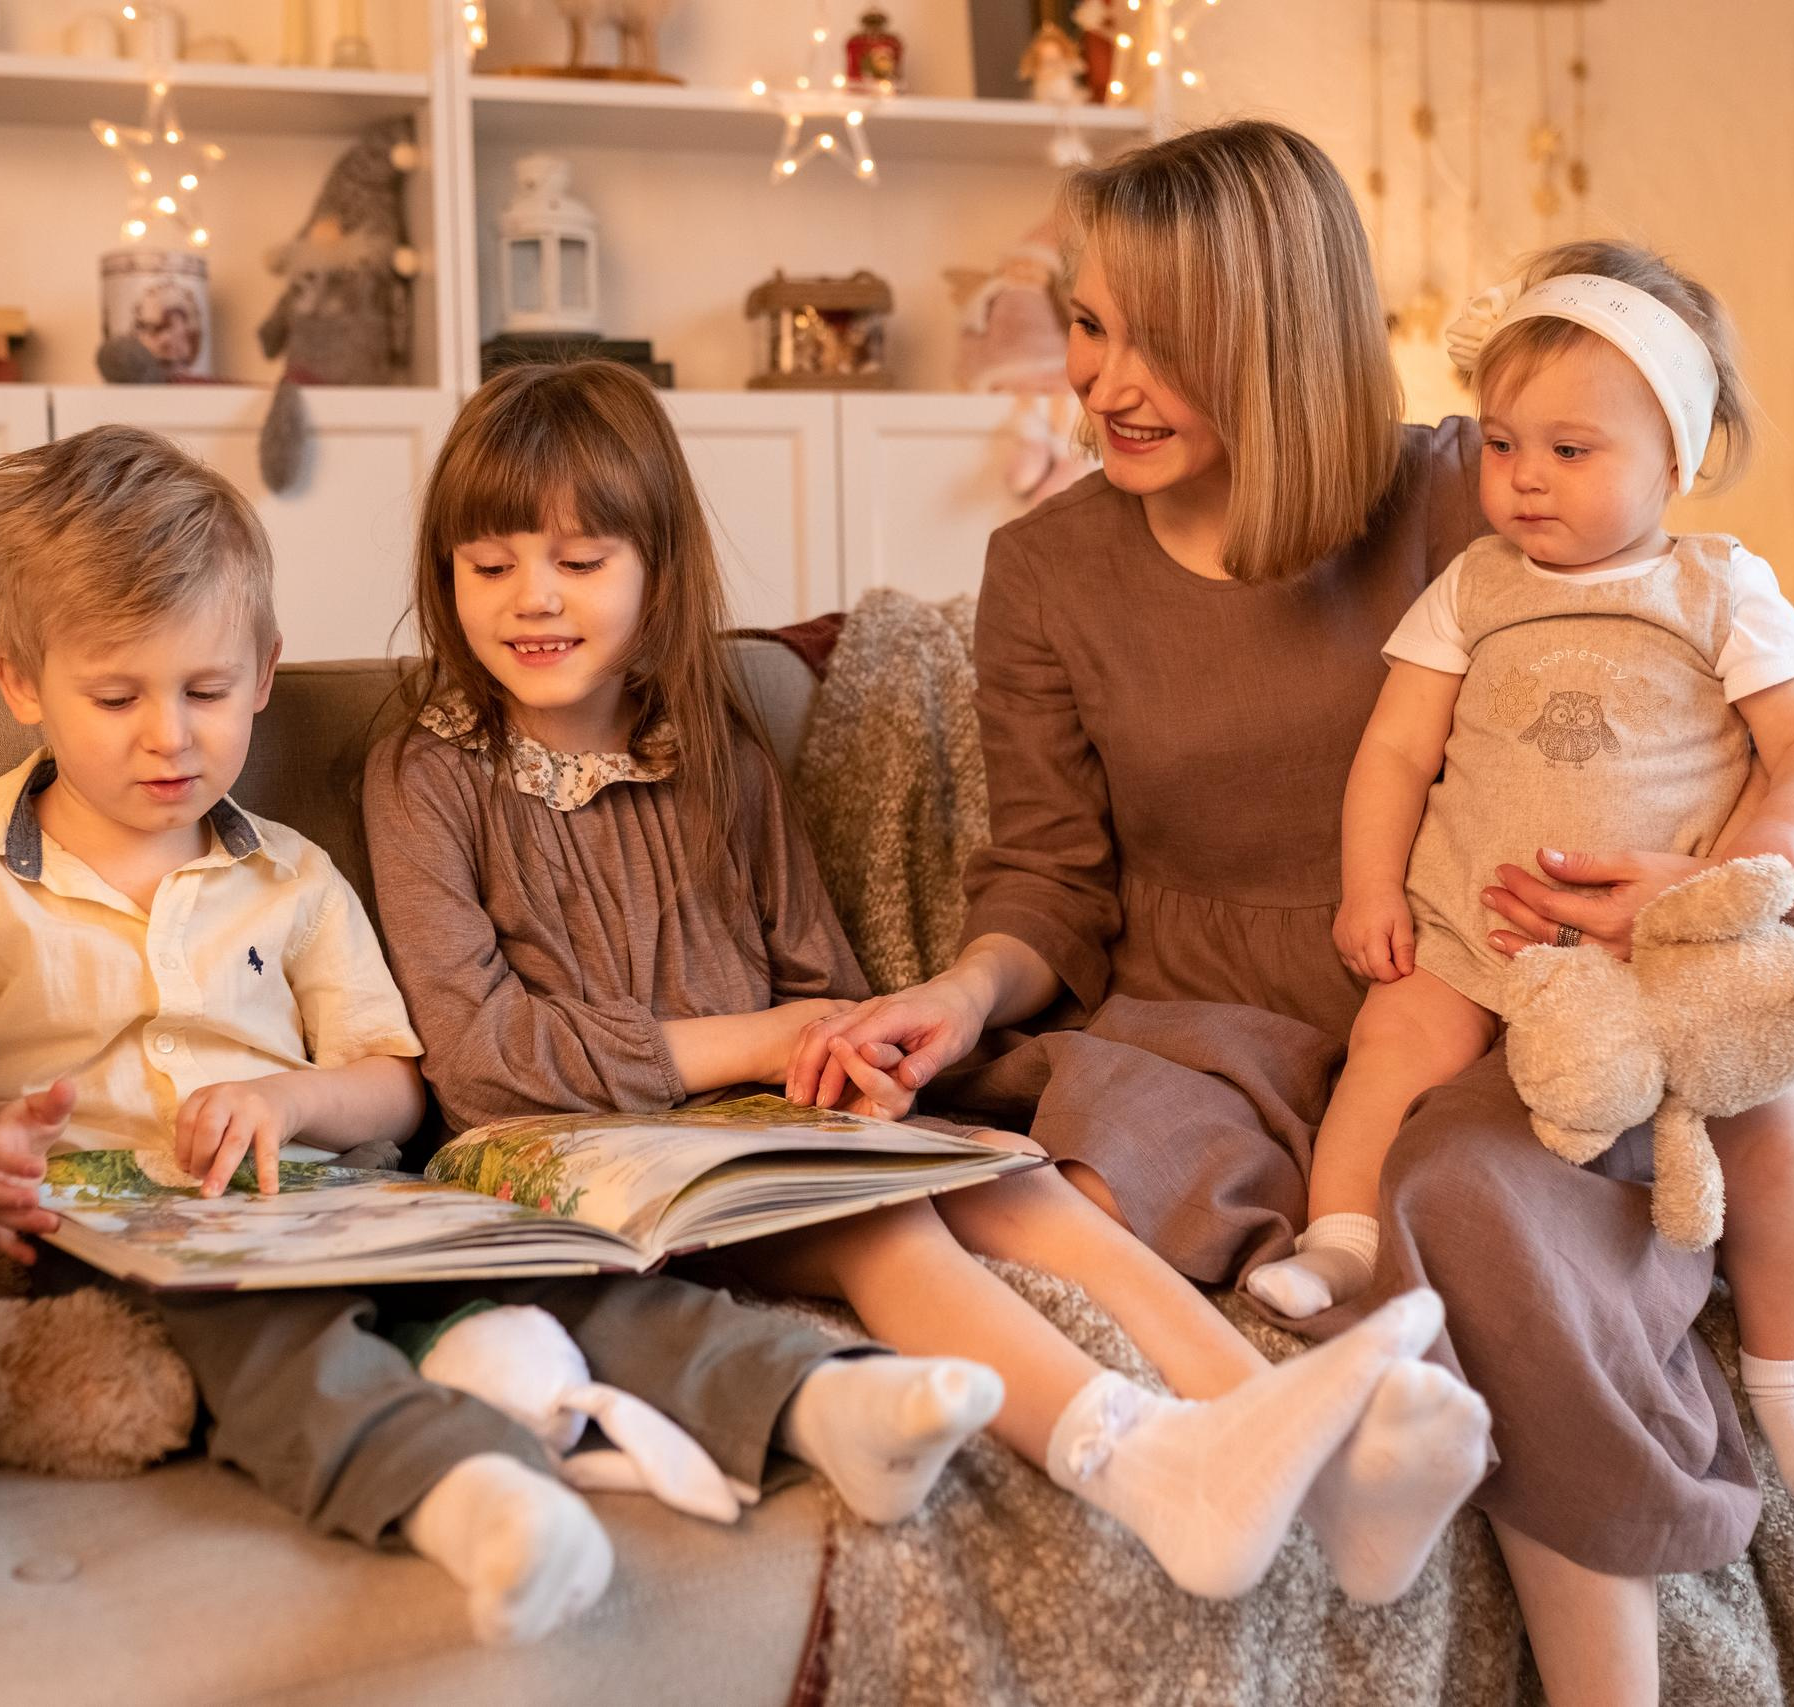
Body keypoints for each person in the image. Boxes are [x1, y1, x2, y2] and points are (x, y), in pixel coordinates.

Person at [786, 121, 1769, 1704]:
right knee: (1055, 1169)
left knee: (1491, 1213)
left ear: (1285, 329)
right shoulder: (1044, 567)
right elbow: (1046, 876)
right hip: (1196, 1012)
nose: (1101, 380)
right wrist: (966, 992)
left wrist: (1694, 872)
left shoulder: (1470, 489)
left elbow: (1691, 677)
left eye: (1157, 339)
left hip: (1476, 982)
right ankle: (1258, 1451)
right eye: (1090, 325)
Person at [361, 360, 1489, 1604]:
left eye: (579, 564)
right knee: (881, 1217)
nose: (534, 599)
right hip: (541, 1160)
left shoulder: (714, 752)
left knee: (1016, 1178)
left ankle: (1298, 1432)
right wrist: (751, 1048)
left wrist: (851, 1059)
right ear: (446, 574)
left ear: (657, 573)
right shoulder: (430, 771)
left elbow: (817, 977)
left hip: (742, 1134)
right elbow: (472, 1051)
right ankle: (1146, 1462)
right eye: (491, 566)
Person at [0, 425, 990, 1647]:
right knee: (274, 1345)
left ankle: (822, 1405)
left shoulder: (290, 876)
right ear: (20, 683)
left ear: (267, 671)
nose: (168, 737)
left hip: (328, 1199)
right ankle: (464, 1493)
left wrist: (290, 1106)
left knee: (571, 1270)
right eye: (116, 697)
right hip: (119, 1244)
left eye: (207, 692)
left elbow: (398, 1086)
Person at [1240, 241, 1794, 1523]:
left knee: (1774, 1128)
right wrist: (1370, 888)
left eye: (1570, 451)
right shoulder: (1473, 590)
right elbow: (1397, 748)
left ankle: (1792, 1378)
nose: (1524, 478)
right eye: (1499, 444)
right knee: (1392, 1041)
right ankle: (1342, 1243)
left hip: (1668, 947)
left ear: (1675, 463)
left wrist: (1760, 861)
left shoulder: (1717, 589)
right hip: (1482, 927)